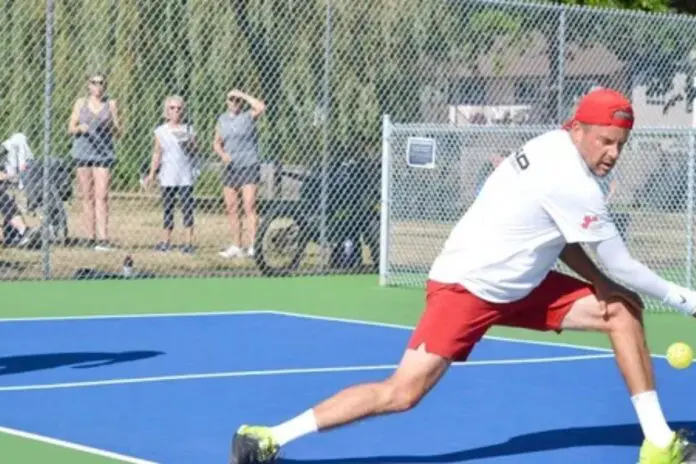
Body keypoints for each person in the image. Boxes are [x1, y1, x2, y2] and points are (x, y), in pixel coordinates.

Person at [231, 88, 696, 464]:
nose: (613, 153)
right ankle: (268, 437)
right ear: (577, 129)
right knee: (402, 393)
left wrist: (604, 284)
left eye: (620, 144)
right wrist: (684, 299)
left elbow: (567, 239)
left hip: (522, 281)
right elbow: (621, 264)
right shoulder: (569, 179)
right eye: (605, 141)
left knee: (620, 309)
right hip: (467, 287)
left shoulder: (556, 148)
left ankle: (658, 442)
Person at [68, 71, 122, 251]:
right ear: (88, 85)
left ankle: (103, 237)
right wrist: (79, 128)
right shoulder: (80, 103)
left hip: (103, 154)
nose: (98, 86)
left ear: (105, 86)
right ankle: (89, 236)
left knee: (102, 196)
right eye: (94, 82)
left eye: (101, 83)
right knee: (87, 196)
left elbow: (119, 132)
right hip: (83, 152)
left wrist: (111, 127)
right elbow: (70, 128)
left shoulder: (111, 104)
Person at [213, 89, 265, 259]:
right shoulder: (222, 120)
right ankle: (236, 245)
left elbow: (261, 107)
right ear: (226, 102)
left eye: (237, 100)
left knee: (249, 205)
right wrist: (222, 155)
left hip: (248, 165)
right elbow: (217, 143)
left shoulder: (248, 116)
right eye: (231, 100)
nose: (234, 103)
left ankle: (254, 246)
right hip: (230, 168)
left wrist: (243, 95)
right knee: (232, 207)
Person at [144, 95, 198, 254]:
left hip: (185, 176)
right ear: (167, 111)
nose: (176, 111)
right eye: (172, 108)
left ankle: (188, 243)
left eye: (179, 108)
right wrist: (152, 174)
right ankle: (166, 241)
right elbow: (157, 153)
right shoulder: (161, 131)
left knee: (187, 209)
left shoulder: (189, 129)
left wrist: (188, 144)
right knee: (168, 209)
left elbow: (196, 151)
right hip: (168, 176)